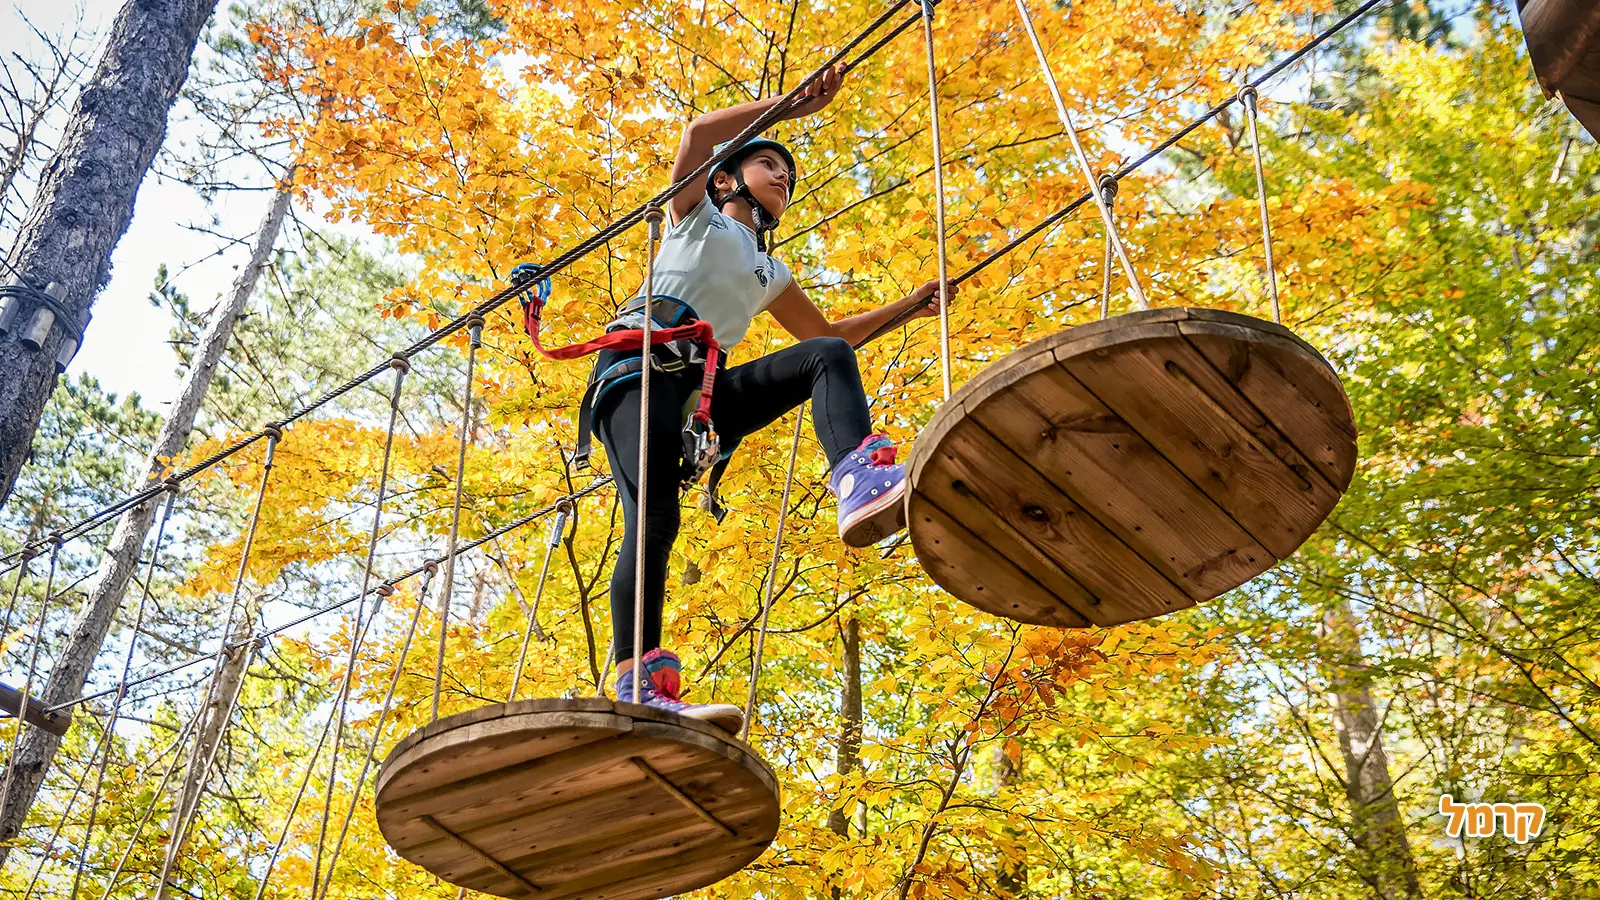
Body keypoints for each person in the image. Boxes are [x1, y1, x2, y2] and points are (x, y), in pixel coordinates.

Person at [594, 64, 955, 733]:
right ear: (728, 179)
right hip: (641, 369)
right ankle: (637, 681)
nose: (784, 177)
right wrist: (789, 108)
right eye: (769, 165)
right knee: (654, 523)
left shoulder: (770, 268)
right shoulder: (695, 218)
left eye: (788, 173)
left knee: (827, 357)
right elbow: (700, 132)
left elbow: (827, 334)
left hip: (702, 394)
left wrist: (911, 307)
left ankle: (859, 478)